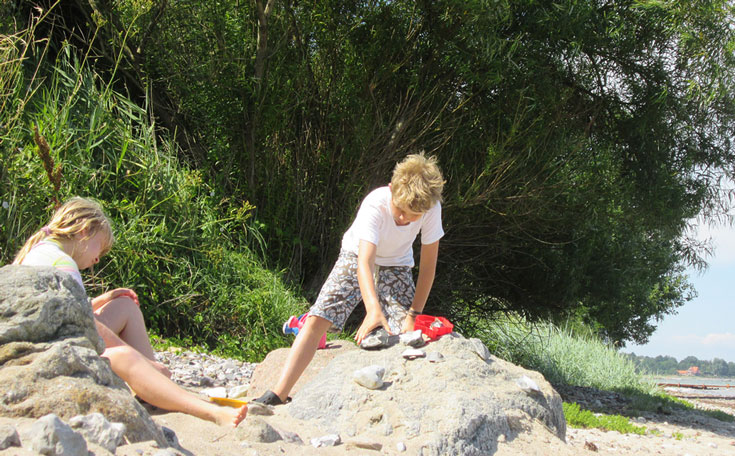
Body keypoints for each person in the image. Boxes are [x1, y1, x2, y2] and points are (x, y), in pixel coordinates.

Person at [13, 197, 248, 427]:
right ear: (85, 231)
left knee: (124, 306)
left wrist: (103, 299)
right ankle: (206, 410)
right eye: (100, 247)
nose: (97, 258)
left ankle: (155, 387)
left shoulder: (42, 251)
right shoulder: (63, 264)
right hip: (49, 349)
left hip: (44, 338)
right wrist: (143, 360)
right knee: (127, 357)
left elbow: (61, 310)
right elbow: (86, 325)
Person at [253, 152, 445, 405]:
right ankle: (279, 392)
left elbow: (428, 267)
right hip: (356, 254)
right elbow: (364, 262)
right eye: (400, 210)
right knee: (319, 316)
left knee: (406, 334)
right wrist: (373, 309)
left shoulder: (430, 208)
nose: (404, 219)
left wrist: (413, 315)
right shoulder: (375, 203)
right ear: (391, 190)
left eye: (413, 216)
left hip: (397, 263)